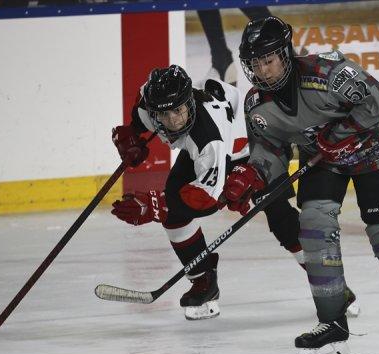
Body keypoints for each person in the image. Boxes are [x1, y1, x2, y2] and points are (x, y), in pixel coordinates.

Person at [221, 16, 379, 354]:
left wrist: (344, 130)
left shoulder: (328, 73)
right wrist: (252, 175)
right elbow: (271, 150)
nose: (263, 71)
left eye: (268, 60)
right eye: (255, 64)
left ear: (285, 54)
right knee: (313, 225)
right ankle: (332, 324)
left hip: (373, 149)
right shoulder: (258, 106)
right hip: (322, 160)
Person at [110, 65, 358, 320]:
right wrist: (131, 136)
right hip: (207, 149)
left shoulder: (209, 138)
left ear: (189, 103)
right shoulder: (151, 102)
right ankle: (204, 282)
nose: (174, 120)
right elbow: (139, 117)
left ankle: (332, 287)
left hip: (255, 144)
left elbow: (208, 198)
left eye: (178, 110)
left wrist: (155, 206)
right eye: (164, 114)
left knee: (281, 219)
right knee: (174, 214)